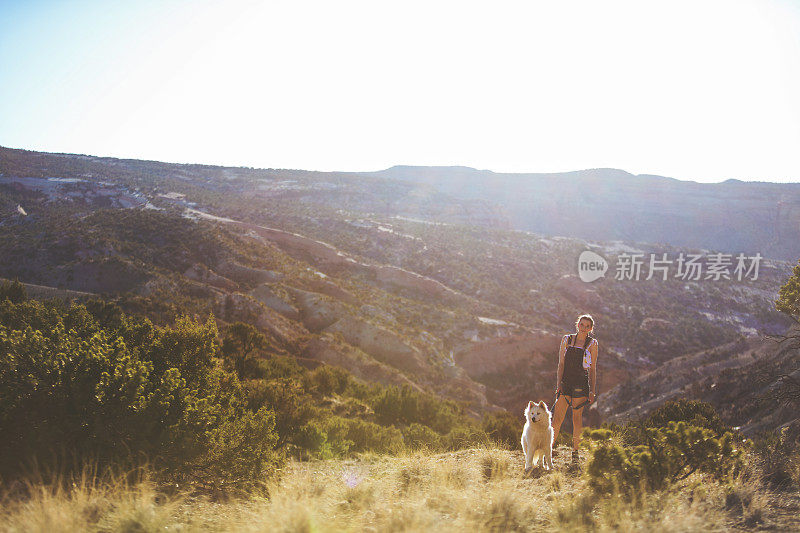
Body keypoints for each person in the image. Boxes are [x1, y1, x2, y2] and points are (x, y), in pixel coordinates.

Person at [552, 314, 598, 464]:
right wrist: (558, 384)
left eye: (587, 326)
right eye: (582, 324)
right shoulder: (566, 340)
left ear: (590, 329)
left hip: (581, 385)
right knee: (557, 419)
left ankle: (575, 452)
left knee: (576, 419)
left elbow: (592, 369)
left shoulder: (593, 344)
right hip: (566, 383)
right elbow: (561, 364)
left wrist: (591, 390)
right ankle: (549, 448)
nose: (584, 328)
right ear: (577, 325)